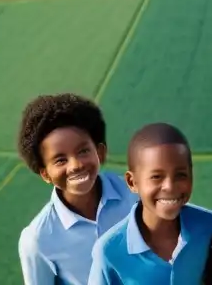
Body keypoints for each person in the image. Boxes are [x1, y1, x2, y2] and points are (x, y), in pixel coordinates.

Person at [16, 93, 137, 285]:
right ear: (45, 174)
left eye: (83, 151)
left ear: (100, 152)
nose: (76, 165)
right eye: (60, 160)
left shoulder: (138, 194)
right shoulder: (37, 240)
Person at [87, 122, 212, 284]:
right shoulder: (109, 252)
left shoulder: (209, 227)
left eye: (180, 175)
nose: (170, 186)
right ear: (132, 182)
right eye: (156, 177)